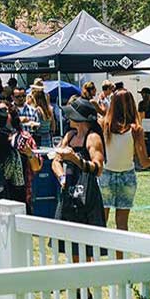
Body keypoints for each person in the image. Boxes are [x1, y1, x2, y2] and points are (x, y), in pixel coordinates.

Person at [52, 98, 106, 259]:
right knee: (70, 244)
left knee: (86, 246)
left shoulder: (93, 137)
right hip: (68, 193)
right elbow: (56, 161)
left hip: (86, 195)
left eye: (71, 115)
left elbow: (98, 168)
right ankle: (77, 283)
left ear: (80, 119)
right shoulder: (70, 135)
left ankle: (85, 283)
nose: (68, 118)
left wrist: (75, 159)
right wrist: (62, 177)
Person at [100, 90, 150, 235]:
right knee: (122, 225)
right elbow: (144, 162)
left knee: (102, 222)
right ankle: (121, 258)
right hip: (127, 176)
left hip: (106, 175)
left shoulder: (104, 125)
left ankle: (96, 257)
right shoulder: (136, 130)